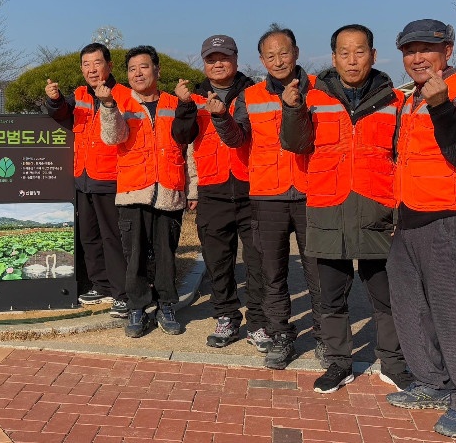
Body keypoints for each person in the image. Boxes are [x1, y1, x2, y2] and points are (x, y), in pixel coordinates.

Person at [280, 24, 411, 393]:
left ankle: (393, 363)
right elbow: (295, 144)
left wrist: (402, 212)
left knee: (387, 297)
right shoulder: (312, 96)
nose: (352, 60)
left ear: (373, 54)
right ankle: (339, 364)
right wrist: (292, 110)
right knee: (330, 299)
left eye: (360, 51)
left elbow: (404, 158)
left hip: (378, 211)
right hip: (328, 210)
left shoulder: (394, 101)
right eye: (344, 52)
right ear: (333, 57)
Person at [385, 19, 456, 439]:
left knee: (452, 312)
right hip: (412, 216)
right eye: (409, 50)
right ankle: (432, 382)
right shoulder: (411, 98)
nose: (417, 58)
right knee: (409, 304)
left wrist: (442, 107)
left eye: (426, 49)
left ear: (447, 51)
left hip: (451, 217)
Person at [214, 24, 326, 370]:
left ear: (296, 53)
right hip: (266, 195)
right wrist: (220, 118)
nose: (278, 60)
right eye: (270, 55)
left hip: (311, 191)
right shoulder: (252, 95)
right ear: (261, 60)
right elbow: (237, 139)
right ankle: (281, 335)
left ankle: (325, 337)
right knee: (272, 271)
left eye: (284, 52)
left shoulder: (321, 90)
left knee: (319, 272)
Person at [172, 35, 270, 350]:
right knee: (218, 259)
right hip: (212, 188)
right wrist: (186, 106)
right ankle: (226, 316)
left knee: (258, 260)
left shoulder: (255, 92)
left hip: (251, 186)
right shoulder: (194, 96)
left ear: (236, 60)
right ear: (204, 63)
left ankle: (258, 321)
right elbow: (181, 136)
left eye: (224, 57)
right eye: (211, 58)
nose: (218, 63)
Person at [99, 45, 188, 338]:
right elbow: (112, 137)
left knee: (166, 255)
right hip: (133, 192)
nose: (138, 73)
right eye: (132, 69)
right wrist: (109, 107)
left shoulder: (176, 104)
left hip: (169, 191)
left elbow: (191, 149)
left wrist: (195, 188)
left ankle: (166, 305)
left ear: (157, 70)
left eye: (144, 67)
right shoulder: (121, 102)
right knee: (134, 255)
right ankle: (137, 307)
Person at [44, 42, 131, 317]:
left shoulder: (124, 95)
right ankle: (101, 285)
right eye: (86, 64)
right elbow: (61, 114)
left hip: (110, 177)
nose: (92, 70)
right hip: (82, 176)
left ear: (110, 65)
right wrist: (55, 99)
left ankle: (122, 293)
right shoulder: (80, 94)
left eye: (97, 63)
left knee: (112, 237)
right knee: (89, 236)